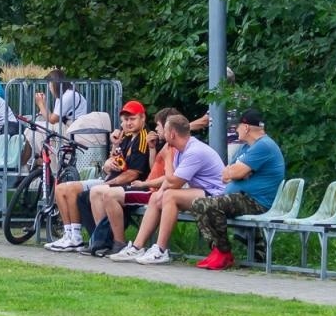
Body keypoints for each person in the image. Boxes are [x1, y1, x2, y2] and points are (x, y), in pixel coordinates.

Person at [109, 114, 226, 265]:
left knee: (170, 196)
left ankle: (161, 250)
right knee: (157, 197)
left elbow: (174, 183)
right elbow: (170, 181)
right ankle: (137, 247)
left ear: (172, 134)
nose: (160, 133)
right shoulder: (180, 148)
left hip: (217, 194)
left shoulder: (193, 151)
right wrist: (158, 194)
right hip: (202, 191)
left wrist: (167, 159)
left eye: (163, 129)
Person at [45, 101, 153, 251]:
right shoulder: (126, 136)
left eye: (132, 119)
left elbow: (132, 174)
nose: (128, 123)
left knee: (84, 194)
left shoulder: (142, 139)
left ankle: (98, 240)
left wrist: (108, 183)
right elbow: (113, 164)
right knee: (61, 188)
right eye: (125, 120)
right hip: (109, 179)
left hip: (125, 185)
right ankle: (73, 235)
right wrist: (112, 151)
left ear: (143, 118)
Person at [189, 108, 286, 270]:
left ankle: (223, 252)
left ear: (246, 127)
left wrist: (238, 172)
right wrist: (238, 172)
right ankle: (218, 251)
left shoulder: (264, 146)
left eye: (238, 127)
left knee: (203, 204)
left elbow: (236, 171)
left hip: (256, 202)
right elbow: (225, 174)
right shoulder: (245, 148)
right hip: (242, 198)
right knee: (199, 203)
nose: (236, 130)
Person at [87, 107, 178, 256]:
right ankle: (102, 241)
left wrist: (144, 184)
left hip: (153, 190)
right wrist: (152, 149)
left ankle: (119, 243)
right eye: (125, 120)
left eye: (158, 126)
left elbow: (169, 178)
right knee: (94, 193)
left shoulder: (170, 147)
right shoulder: (158, 144)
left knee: (107, 194)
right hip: (150, 188)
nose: (155, 128)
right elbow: (154, 169)